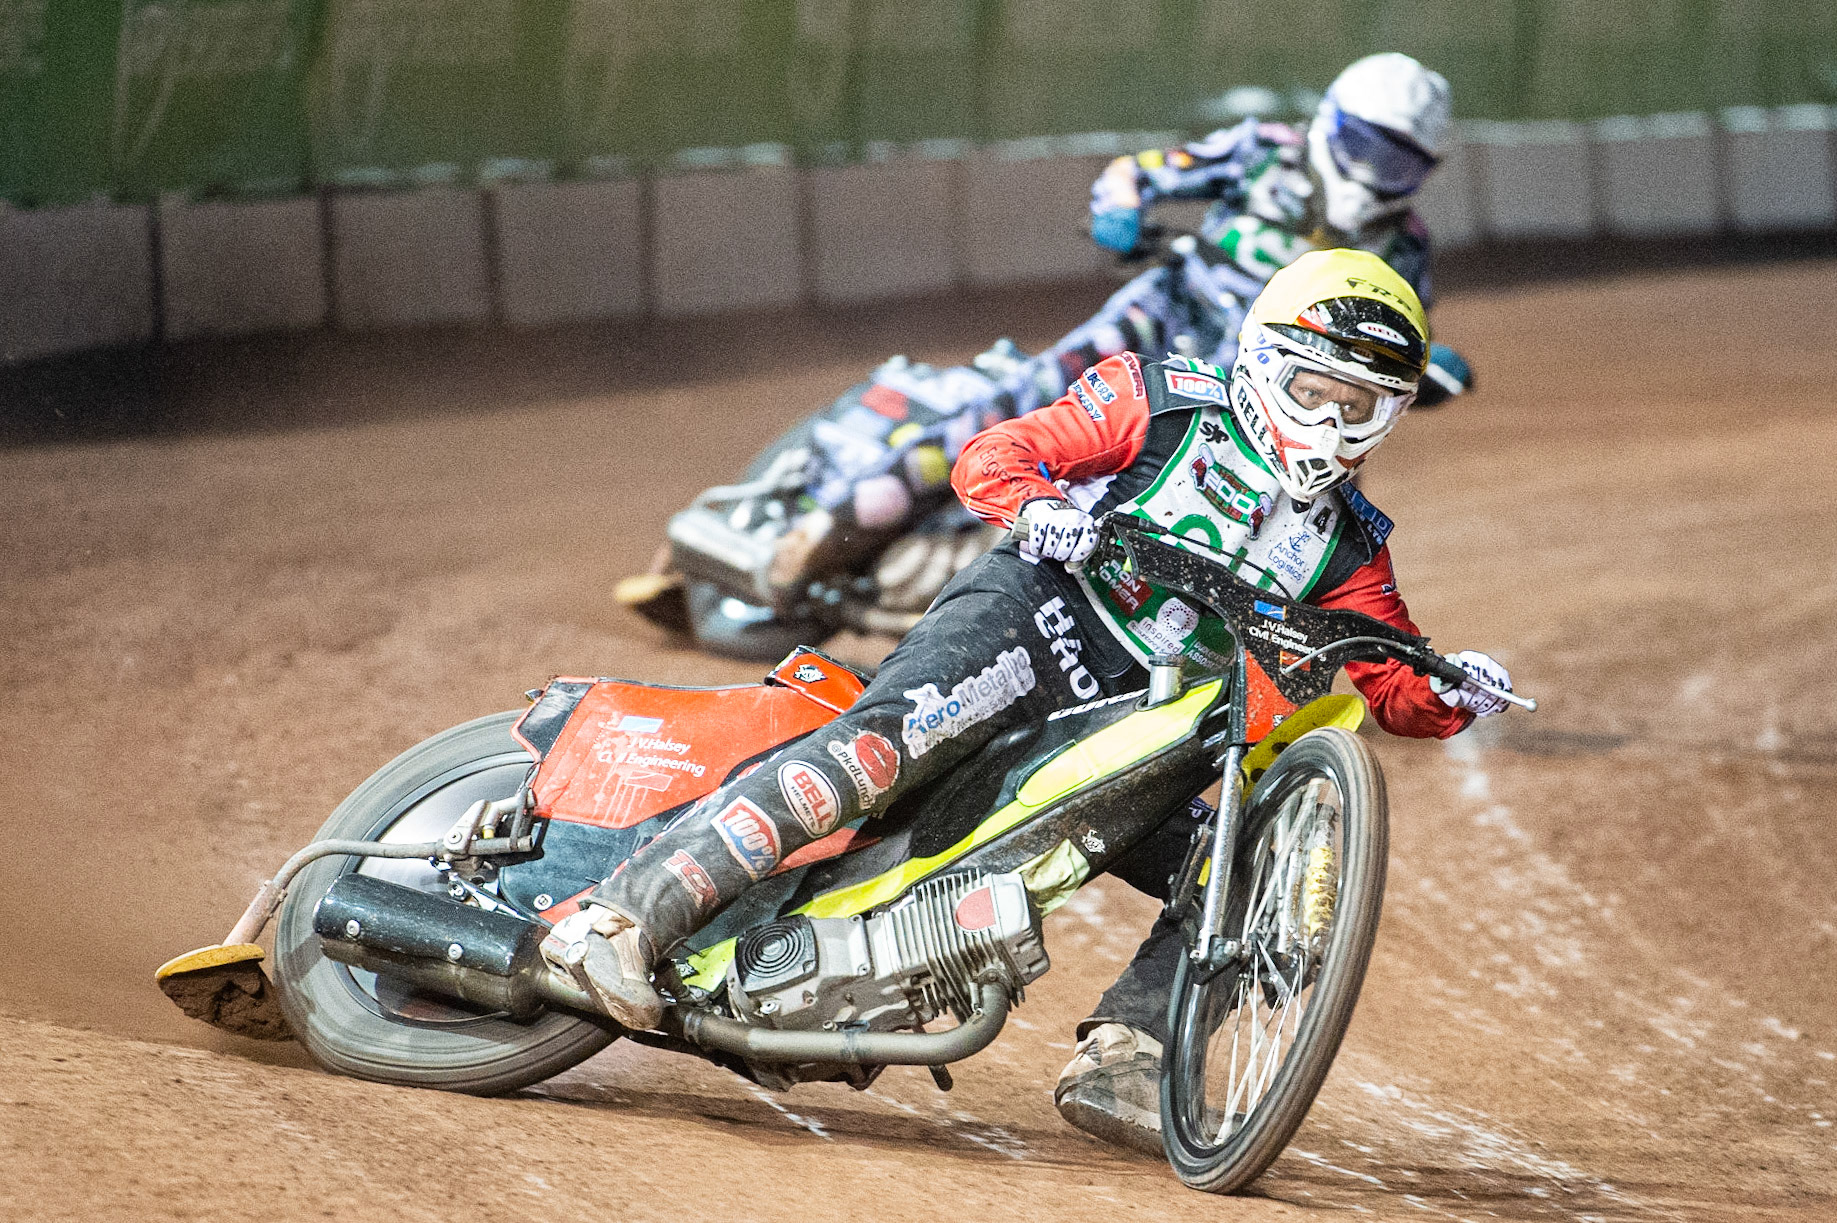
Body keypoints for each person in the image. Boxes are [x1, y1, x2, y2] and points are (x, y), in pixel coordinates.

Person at [549, 249, 1515, 1147]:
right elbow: (998, 454)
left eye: (1364, 404)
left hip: (1138, 727)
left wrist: (1454, 682)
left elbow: (1394, 685)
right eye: (1316, 389)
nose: (1333, 421)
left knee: (1242, 872)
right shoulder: (1159, 399)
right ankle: (619, 921)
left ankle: (1127, 1057)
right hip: (1033, 620)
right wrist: (1042, 508)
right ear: (1265, 362)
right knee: (877, 754)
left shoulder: (1353, 546)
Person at [742, 52, 1472, 603]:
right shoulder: (1262, 152)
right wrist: (1118, 205)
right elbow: (1141, 171)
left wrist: (1426, 366)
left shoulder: (1404, 247)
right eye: (1366, 145)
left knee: (1307, 498)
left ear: (1425, 170)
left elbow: (1395, 344)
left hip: (1254, 395)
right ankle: (830, 532)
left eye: (1399, 161)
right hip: (1152, 320)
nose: (1375, 172)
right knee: (1012, 407)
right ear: (1329, 122)